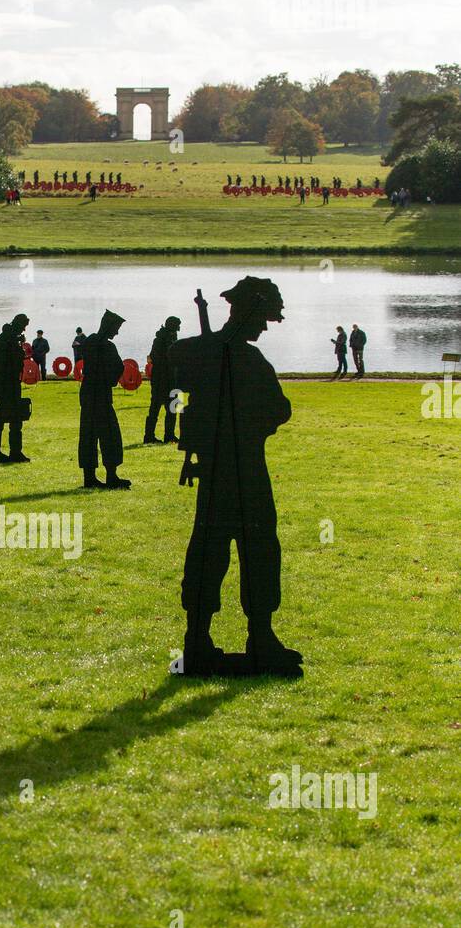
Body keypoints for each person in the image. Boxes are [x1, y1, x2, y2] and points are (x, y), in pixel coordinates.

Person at [170, 277, 301, 677]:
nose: (264, 328)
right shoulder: (245, 361)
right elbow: (279, 410)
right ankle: (252, 638)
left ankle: (204, 638)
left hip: (218, 471)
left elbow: (173, 372)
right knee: (255, 549)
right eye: (262, 319)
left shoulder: (204, 353)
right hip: (244, 471)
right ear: (248, 315)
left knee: (214, 550)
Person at [78, 309, 130, 490]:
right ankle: (111, 476)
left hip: (88, 392)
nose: (117, 332)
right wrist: (110, 380)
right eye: (116, 328)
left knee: (89, 434)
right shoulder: (107, 346)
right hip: (100, 393)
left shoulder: (90, 341)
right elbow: (118, 367)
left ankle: (89, 477)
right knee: (109, 434)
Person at [0, 313, 30, 464]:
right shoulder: (8, 338)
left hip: (6, 382)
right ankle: (12, 452)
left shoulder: (7, 337)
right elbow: (10, 360)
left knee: (3, 417)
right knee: (13, 418)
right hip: (8, 383)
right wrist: (21, 350)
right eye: (24, 326)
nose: (24, 329)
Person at [143, 315, 180, 444]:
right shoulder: (160, 340)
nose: (179, 329)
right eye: (177, 326)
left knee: (172, 409)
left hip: (172, 379)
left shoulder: (171, 338)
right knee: (156, 408)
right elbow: (156, 357)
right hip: (161, 379)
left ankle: (169, 435)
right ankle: (149, 435)